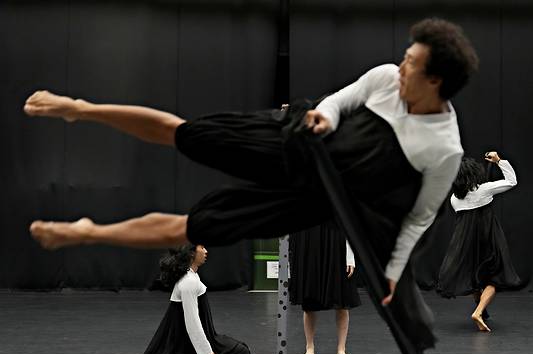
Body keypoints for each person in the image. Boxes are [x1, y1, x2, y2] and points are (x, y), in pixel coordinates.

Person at [24, 18, 478, 329]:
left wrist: (394, 272)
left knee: (197, 226)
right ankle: (79, 110)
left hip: (317, 194)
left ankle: (88, 233)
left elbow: (419, 218)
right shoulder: (386, 77)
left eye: (412, 64)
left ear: (435, 81)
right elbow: (342, 99)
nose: (401, 67)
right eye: (404, 57)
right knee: (186, 134)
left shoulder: (444, 148)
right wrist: (324, 116)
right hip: (299, 139)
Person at [102, 244, 253, 354]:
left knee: (241, 348)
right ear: (192, 253)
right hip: (188, 346)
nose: (206, 251)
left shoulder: (191, 276)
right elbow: (192, 321)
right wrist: (208, 353)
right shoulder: (189, 282)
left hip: (207, 337)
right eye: (202, 248)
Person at [435, 151, 520, 332]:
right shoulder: (484, 189)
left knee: (474, 277)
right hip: (488, 239)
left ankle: (482, 309)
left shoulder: (454, 199)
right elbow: (512, 181)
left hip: (466, 244)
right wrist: (499, 161)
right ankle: (479, 311)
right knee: (493, 278)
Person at [289, 222, 358, 354]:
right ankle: (309, 347)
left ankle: (341, 348)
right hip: (310, 246)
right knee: (309, 304)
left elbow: (347, 223)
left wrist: (350, 257)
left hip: (336, 245)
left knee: (342, 302)